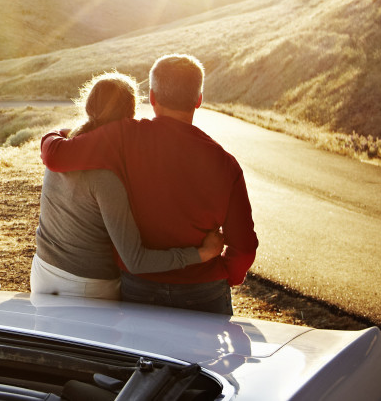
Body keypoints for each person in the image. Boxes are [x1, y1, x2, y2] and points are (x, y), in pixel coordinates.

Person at [40, 55, 258, 315]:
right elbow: (244, 248)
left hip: (140, 287)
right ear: (198, 100)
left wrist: (58, 132)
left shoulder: (124, 135)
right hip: (204, 288)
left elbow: (55, 156)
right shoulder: (226, 164)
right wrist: (225, 275)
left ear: (152, 98)